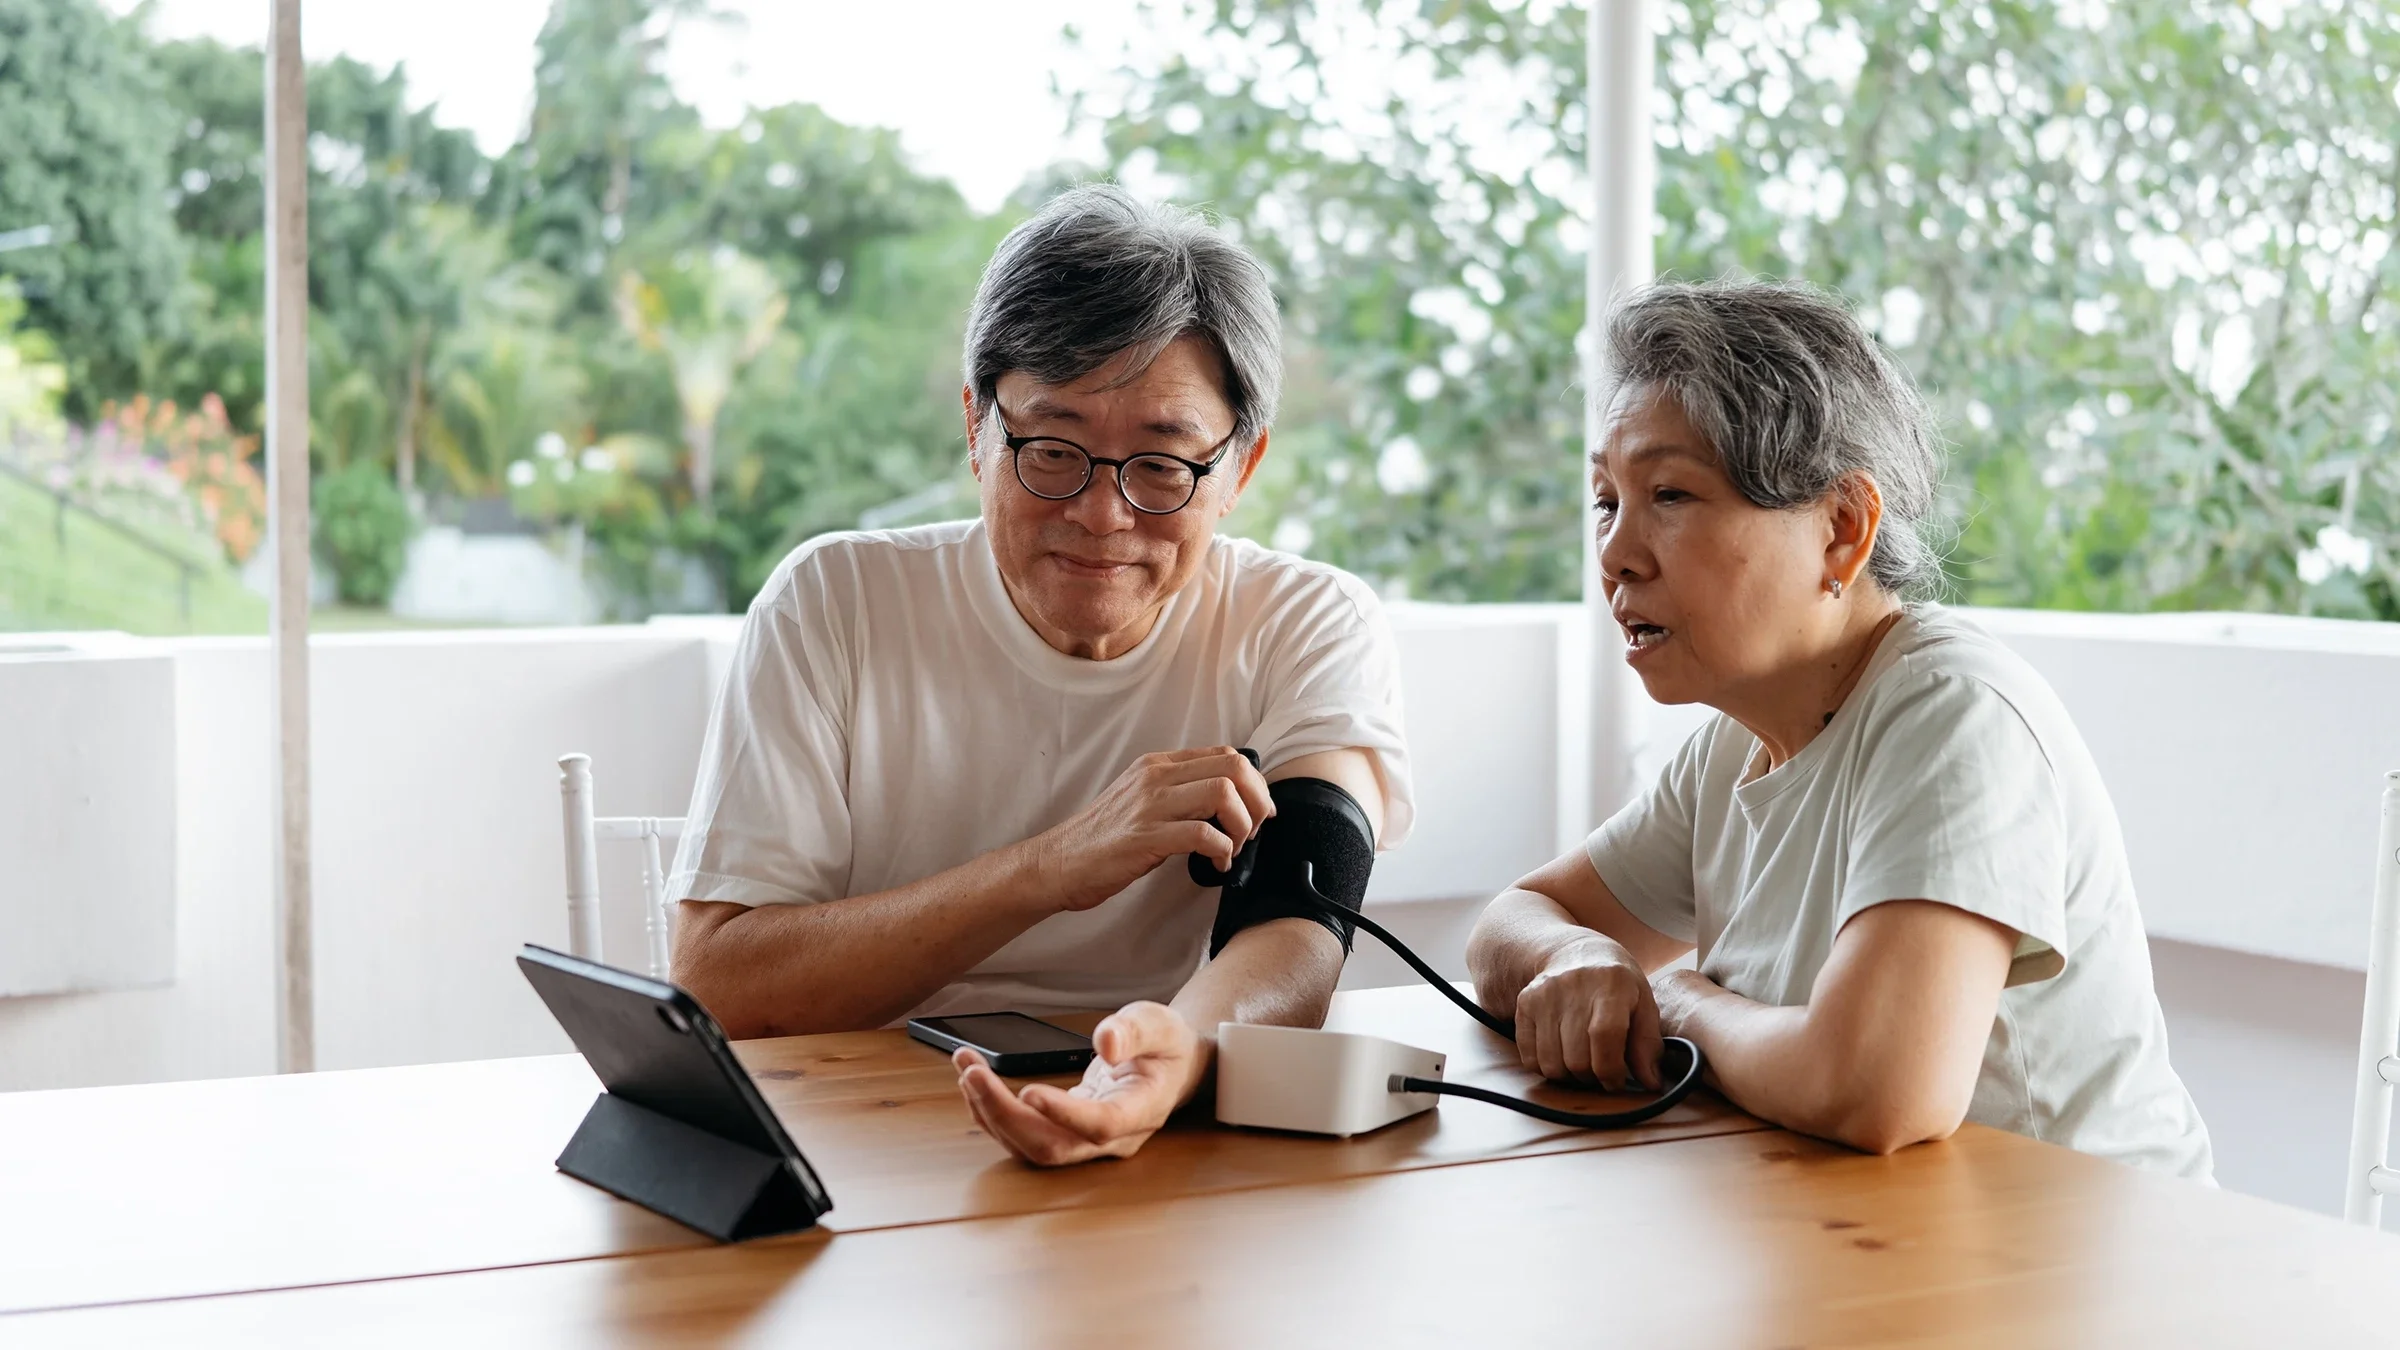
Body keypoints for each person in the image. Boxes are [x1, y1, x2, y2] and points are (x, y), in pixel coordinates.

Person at [665, 184, 1412, 1167]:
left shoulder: (1308, 619)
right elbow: (719, 982)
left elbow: (1302, 926)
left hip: (1165, 1123)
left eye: (1163, 465)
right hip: (850, 1144)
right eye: (1052, 451)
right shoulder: (835, 602)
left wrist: (1169, 1063)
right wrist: (1051, 868)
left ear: (1242, 467)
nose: (1103, 516)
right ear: (976, 427)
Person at [1466, 279, 2212, 1178]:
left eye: (1669, 494)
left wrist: (1681, 1001)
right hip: (1877, 1248)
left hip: (2088, 1289)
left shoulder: (1954, 716)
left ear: (1842, 531)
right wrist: (1581, 954)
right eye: (1605, 500)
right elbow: (1511, 923)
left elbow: (1874, 1088)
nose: (1618, 553)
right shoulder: (1736, 744)